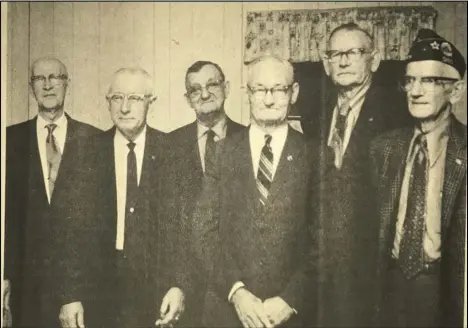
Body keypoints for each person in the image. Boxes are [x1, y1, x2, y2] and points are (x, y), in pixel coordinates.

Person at [51, 67, 186, 328]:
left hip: (158, 292)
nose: (124, 107)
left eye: (134, 98)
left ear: (151, 102)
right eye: (117, 98)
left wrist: (180, 286)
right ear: (108, 102)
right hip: (96, 292)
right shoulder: (83, 153)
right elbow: (63, 230)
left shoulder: (175, 153)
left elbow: (187, 231)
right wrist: (69, 295)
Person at [193, 55, 317, 328]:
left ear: (293, 92)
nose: (269, 99)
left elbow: (324, 241)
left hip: (291, 316)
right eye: (260, 89)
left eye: (278, 89)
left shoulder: (316, 155)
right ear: (247, 93)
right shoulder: (222, 152)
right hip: (227, 314)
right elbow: (204, 231)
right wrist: (236, 292)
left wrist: (290, 299)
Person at [313, 23, 412, 326]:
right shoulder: (315, 107)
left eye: (353, 53)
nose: (342, 61)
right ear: (326, 62)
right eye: (334, 54)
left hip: (371, 267)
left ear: (375, 59)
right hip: (322, 268)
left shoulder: (399, 111)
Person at [370, 29, 466, 328]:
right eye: (410, 80)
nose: (415, 91)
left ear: (457, 90)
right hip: (388, 289)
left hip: (446, 291)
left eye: (430, 80)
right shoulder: (383, 148)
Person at [3, 57, 101, 327]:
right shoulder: (9, 140)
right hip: (26, 288)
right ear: (30, 87)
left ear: (67, 83)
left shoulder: (94, 140)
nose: (47, 85)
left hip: (81, 291)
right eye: (39, 79)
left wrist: (77, 289)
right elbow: (7, 218)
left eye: (55, 77)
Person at [168, 60, 245, 326]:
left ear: (227, 87)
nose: (204, 94)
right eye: (195, 89)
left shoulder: (250, 140)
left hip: (238, 283)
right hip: (185, 287)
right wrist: (176, 283)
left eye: (212, 84)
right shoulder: (169, 146)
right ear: (187, 98)